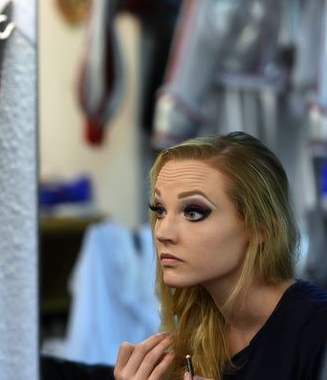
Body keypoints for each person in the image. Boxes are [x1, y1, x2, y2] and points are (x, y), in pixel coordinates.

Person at [114, 131, 327, 379]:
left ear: (260, 227)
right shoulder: (198, 323)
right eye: (160, 210)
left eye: (193, 212)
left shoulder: (317, 330)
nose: (162, 232)